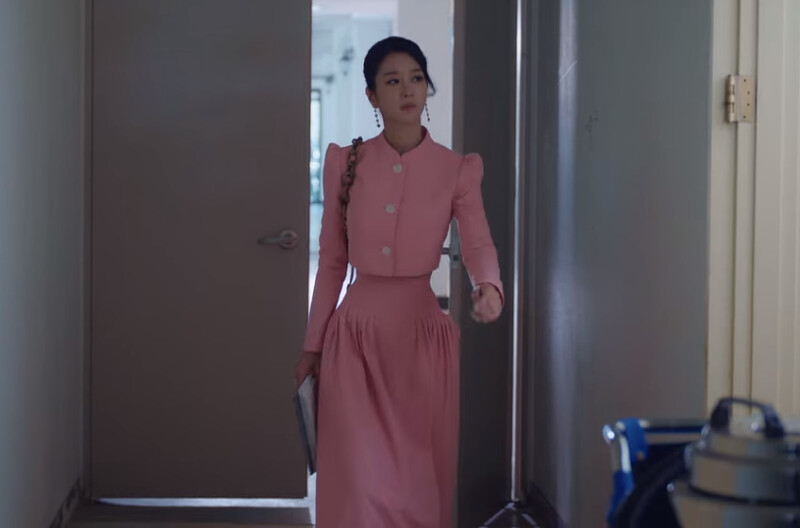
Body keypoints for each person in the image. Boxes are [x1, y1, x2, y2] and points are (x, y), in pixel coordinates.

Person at [294, 36, 503, 528]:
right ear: (372, 95)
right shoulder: (346, 163)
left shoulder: (457, 169)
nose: (408, 90)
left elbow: (477, 243)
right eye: (392, 81)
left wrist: (489, 286)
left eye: (416, 78)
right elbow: (332, 262)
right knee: (359, 480)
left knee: (415, 481)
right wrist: (312, 346)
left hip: (421, 340)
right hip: (354, 339)